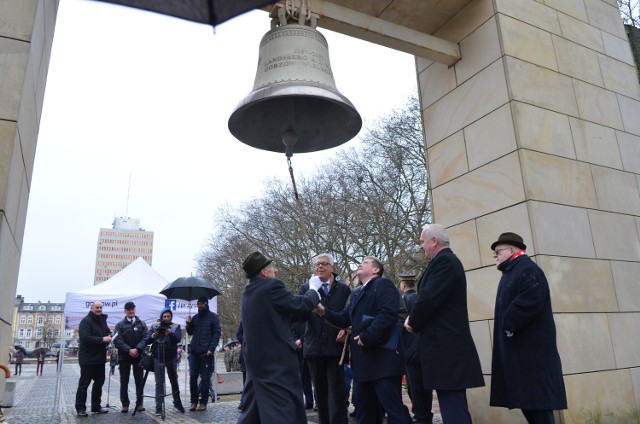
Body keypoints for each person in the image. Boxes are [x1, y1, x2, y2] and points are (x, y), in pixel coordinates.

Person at [404, 224, 484, 424]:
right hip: (445, 351)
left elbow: (428, 299)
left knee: (453, 408)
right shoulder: (444, 262)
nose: (422, 247)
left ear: (434, 241)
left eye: (423, 242)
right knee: (453, 405)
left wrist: (412, 321)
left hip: (447, 351)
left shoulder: (445, 262)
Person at [318, 256, 412, 424]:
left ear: (376, 270)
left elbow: (388, 314)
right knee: (364, 412)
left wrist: (367, 336)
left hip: (384, 361)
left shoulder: (383, 284)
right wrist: (322, 310)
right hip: (363, 364)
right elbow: (343, 319)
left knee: (394, 410)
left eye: (366, 262)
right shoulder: (356, 293)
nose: (360, 264)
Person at [489, 232, 567, 424]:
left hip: (532, 357)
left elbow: (530, 301)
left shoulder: (527, 269)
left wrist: (508, 322)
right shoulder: (512, 271)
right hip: (521, 356)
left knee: (538, 408)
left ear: (513, 249)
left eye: (498, 251)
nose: (495, 255)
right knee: (529, 406)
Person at [237, 251, 322, 424]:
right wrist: (313, 290)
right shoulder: (271, 287)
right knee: (282, 408)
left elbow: (278, 316)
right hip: (276, 364)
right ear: (264, 272)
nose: (275, 271)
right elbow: (300, 304)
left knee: (254, 410)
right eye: (272, 268)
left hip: (257, 363)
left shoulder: (249, 291)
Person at [300, 253, 351, 424]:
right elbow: (300, 314)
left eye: (324, 264)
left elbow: (348, 315)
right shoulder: (307, 288)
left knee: (337, 392)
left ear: (332, 268)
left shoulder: (343, 289)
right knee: (320, 394)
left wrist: (346, 329)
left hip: (335, 347)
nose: (320, 267)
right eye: (317, 264)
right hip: (314, 348)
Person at [399, 273, 433, 424]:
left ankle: (420, 415)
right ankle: (427, 413)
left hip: (409, 348)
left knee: (414, 386)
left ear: (403, 285)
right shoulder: (420, 298)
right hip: (424, 348)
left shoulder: (403, 300)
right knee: (426, 386)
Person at [144, 308, 185, 415]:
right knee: (159, 382)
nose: (166, 318)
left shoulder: (175, 326)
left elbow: (177, 339)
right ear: (161, 317)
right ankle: (159, 406)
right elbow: (147, 340)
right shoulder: (155, 325)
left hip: (171, 357)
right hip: (158, 356)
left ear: (171, 316)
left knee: (174, 380)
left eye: (168, 316)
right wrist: (153, 335)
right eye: (164, 317)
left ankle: (177, 402)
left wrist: (169, 333)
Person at [75, 301, 112, 417]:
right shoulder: (85, 321)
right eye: (97, 307)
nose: (99, 309)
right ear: (92, 308)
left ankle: (96, 406)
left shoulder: (102, 320)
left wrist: (109, 335)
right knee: (84, 384)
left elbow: (105, 333)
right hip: (87, 358)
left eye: (101, 307)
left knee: (99, 382)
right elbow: (85, 338)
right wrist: (103, 339)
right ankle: (80, 408)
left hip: (100, 358)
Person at [186, 295, 221, 412]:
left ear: (206, 304)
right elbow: (190, 332)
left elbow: (217, 334)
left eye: (201, 304)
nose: (199, 306)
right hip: (194, 352)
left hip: (207, 354)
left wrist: (211, 348)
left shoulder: (213, 317)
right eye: (198, 304)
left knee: (205, 379)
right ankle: (193, 401)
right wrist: (189, 323)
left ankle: (203, 402)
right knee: (192, 377)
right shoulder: (195, 318)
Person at [113, 301, 148, 413]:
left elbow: (146, 338)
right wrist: (129, 350)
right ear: (125, 311)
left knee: (139, 380)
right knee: (124, 381)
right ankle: (125, 404)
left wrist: (137, 349)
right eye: (129, 310)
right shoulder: (120, 325)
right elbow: (117, 340)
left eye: (133, 309)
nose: (131, 311)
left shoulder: (141, 324)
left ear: (135, 310)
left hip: (138, 356)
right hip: (124, 356)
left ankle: (139, 404)